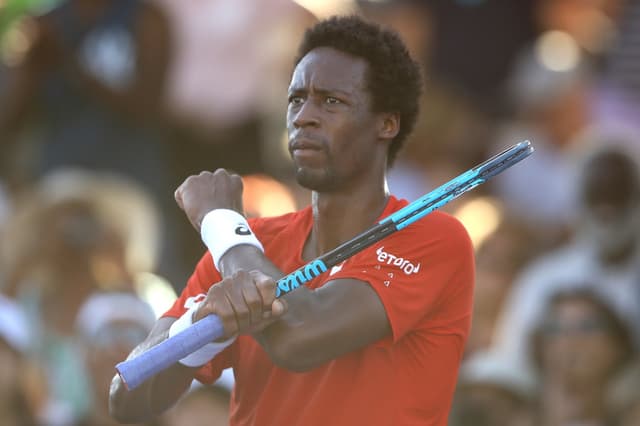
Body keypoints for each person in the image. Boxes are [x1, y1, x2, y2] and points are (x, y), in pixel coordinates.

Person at [110, 15, 475, 426]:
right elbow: (126, 398)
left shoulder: (432, 236)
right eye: (296, 99)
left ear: (387, 123)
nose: (304, 116)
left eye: (331, 101)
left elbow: (300, 337)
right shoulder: (249, 243)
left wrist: (222, 225)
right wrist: (198, 329)